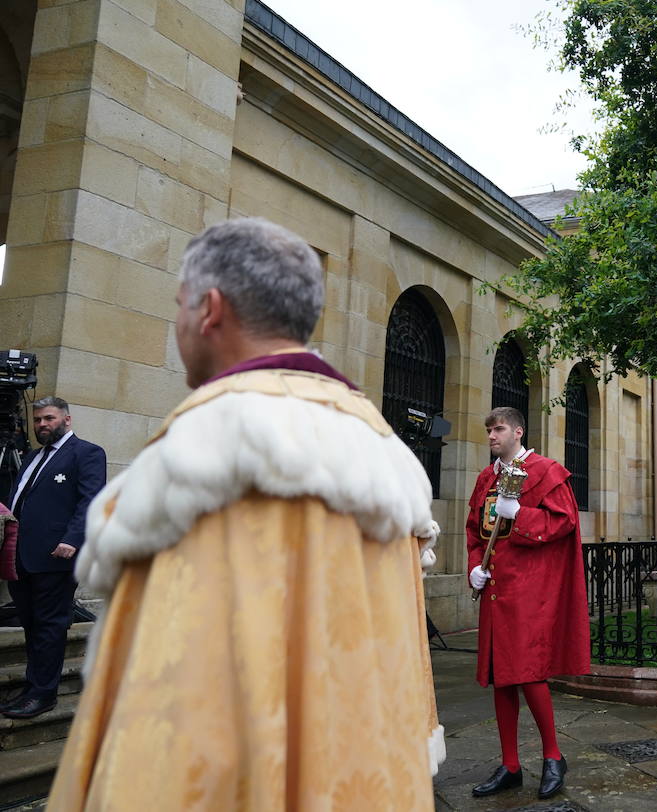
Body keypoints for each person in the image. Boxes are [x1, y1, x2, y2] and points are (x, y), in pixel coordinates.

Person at [48, 218, 443, 809]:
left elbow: (166, 729)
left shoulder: (208, 453)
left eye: (179, 304)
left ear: (208, 308)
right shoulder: (381, 450)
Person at [465, 406, 589, 801]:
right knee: (500, 675)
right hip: (496, 590)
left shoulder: (546, 471)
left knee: (528, 672)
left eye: (498, 429)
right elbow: (474, 531)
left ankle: (553, 756)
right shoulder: (487, 478)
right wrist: (473, 569)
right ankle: (511, 765)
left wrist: (520, 514)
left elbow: (563, 521)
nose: (491, 436)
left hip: (530, 590)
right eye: (488, 430)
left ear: (518, 431)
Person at [1, 398, 105, 720]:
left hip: (57, 557)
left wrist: (71, 540)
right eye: (37, 421)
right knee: (31, 625)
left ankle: (43, 695)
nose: (42, 425)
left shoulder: (87, 453)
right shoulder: (33, 457)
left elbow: (91, 501)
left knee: (50, 626)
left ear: (67, 420)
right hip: (22, 557)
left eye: (48, 418)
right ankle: (33, 687)